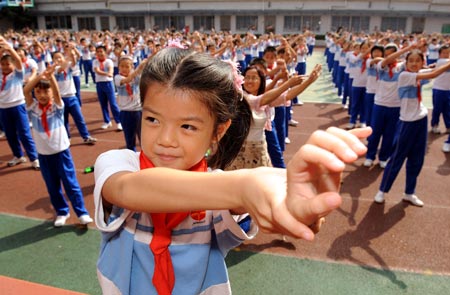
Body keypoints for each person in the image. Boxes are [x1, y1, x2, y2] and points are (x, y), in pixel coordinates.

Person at [93, 47, 371, 294]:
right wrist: (246, 187)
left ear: (219, 130)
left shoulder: (219, 193)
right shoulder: (118, 164)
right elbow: (130, 189)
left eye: (187, 126)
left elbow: (250, 207)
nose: (166, 139)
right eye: (152, 119)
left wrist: (291, 206)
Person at [373, 49, 450, 207]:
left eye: (418, 61)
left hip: (421, 120)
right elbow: (433, 74)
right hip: (406, 123)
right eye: (411, 61)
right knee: (396, 158)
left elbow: (433, 70)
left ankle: (409, 192)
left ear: (422, 62)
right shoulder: (405, 76)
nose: (414, 63)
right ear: (405, 64)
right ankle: (382, 190)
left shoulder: (419, 73)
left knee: (417, 159)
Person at [23, 65, 93, 227]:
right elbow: (26, 90)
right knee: (52, 187)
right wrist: (40, 76)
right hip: (44, 155)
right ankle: (62, 212)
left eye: (45, 92)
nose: (41, 95)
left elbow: (56, 91)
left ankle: (82, 212)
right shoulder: (32, 108)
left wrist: (51, 77)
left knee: (70, 183)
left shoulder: (57, 107)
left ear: (52, 95)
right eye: (38, 92)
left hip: (61, 152)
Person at [0, 36, 40, 169]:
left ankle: (34, 158)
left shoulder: (17, 74)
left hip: (18, 106)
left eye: (8, 64)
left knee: (24, 133)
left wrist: (10, 48)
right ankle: (18, 156)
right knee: (10, 134)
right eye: (3, 64)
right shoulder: (0, 74)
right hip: (3, 108)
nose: (5, 67)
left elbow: (17, 59)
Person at [52, 50, 97, 144]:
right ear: (53, 60)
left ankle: (86, 136)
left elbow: (74, 62)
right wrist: (68, 57)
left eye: (60, 57)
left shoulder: (68, 67)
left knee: (79, 118)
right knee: (64, 120)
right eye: (56, 58)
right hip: (61, 99)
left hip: (72, 97)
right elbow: (62, 67)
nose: (58, 59)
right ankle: (66, 137)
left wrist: (72, 55)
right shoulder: (55, 70)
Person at [114, 56, 146, 151]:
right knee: (130, 140)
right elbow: (127, 80)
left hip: (138, 111)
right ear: (118, 67)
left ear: (131, 67)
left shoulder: (136, 77)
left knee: (143, 139)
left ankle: (145, 159)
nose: (124, 69)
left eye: (127, 66)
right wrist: (138, 69)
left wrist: (141, 69)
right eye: (122, 66)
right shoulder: (117, 77)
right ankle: (132, 160)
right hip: (126, 113)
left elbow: (140, 79)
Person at [93, 45, 122, 130]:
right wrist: (107, 74)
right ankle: (107, 121)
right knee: (103, 104)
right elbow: (97, 71)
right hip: (99, 84)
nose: (99, 53)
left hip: (108, 84)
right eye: (97, 52)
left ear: (105, 52)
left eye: (101, 51)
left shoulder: (109, 61)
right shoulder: (95, 61)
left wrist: (109, 73)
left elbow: (111, 71)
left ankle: (119, 122)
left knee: (113, 104)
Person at [430, 44, 450, 134]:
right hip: (439, 90)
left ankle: (448, 127)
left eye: (448, 53)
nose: (446, 54)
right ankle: (434, 125)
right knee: (437, 109)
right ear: (440, 54)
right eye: (444, 53)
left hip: (448, 90)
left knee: (447, 110)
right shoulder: (441, 62)